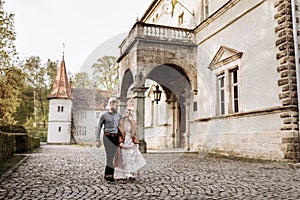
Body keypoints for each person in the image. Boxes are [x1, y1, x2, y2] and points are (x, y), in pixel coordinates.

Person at [113, 109, 146, 180]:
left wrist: (135, 142)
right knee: (124, 158)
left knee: (131, 158)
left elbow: (135, 134)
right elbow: (118, 133)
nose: (125, 113)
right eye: (125, 112)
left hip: (130, 140)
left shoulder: (133, 123)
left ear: (130, 114)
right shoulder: (120, 122)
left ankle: (130, 173)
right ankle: (124, 173)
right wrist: (120, 142)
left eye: (127, 112)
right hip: (124, 140)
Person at [96, 99, 122, 182]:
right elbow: (99, 127)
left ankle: (108, 174)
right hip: (107, 137)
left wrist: (122, 140)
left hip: (116, 137)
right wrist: (97, 140)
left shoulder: (119, 116)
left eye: (118, 106)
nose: (117, 108)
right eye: (116, 106)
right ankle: (109, 175)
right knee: (109, 155)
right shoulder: (104, 115)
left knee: (113, 156)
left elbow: (121, 128)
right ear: (111, 105)